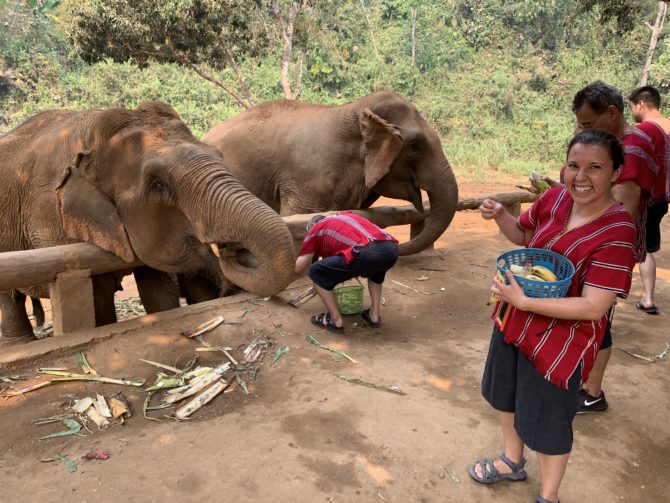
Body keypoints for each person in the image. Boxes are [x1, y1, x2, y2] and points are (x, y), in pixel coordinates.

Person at [469, 130, 636, 503]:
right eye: (574, 166)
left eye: (595, 167)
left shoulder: (618, 231)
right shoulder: (555, 197)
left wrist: (525, 302)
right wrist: (501, 217)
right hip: (512, 319)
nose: (581, 177)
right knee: (504, 396)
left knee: (549, 423)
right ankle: (512, 461)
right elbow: (523, 237)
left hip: (559, 344)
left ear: (616, 173)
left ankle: (549, 495)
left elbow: (594, 306)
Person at [535, 81, 657, 413]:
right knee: (595, 320)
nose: (582, 131)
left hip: (604, 254)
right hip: (597, 249)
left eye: (588, 125)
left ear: (613, 113)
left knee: (597, 322)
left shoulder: (628, 151)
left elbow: (622, 212)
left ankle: (590, 390)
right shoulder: (621, 142)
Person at [294, 212, 399, 333]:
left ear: (313, 225)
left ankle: (335, 320)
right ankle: (373, 316)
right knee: (376, 272)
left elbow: (299, 268)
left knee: (316, 271)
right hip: (391, 248)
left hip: (367, 252)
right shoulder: (342, 218)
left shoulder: (317, 228)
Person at [628, 85, 670, 315]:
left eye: (632, 105)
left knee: (640, 247)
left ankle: (647, 299)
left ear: (641, 104)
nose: (632, 110)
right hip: (663, 199)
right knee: (648, 244)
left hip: (647, 198)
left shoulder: (644, 131)